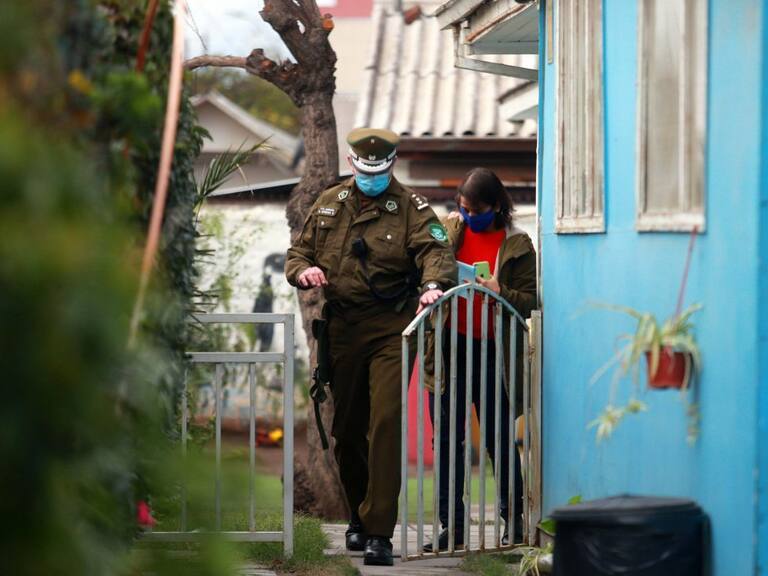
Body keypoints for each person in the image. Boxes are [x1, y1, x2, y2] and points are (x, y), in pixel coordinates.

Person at [285, 127, 457, 566]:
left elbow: (436, 252)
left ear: (392, 165)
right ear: (351, 163)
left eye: (379, 172)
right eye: (365, 171)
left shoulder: (412, 208)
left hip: (391, 327)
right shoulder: (330, 203)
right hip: (343, 326)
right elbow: (299, 254)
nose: (372, 178)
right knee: (346, 431)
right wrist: (303, 272)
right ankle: (359, 517)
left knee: (385, 422)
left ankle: (379, 531)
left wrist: (432, 285)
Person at [423, 167, 537, 552]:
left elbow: (530, 301)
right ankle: (451, 527)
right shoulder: (448, 233)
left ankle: (513, 522)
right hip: (449, 349)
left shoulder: (517, 244)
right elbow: (424, 265)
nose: (470, 215)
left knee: (499, 439)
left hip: (493, 354)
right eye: (464, 208)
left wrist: (500, 291)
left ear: (497, 206)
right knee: (447, 441)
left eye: (478, 210)